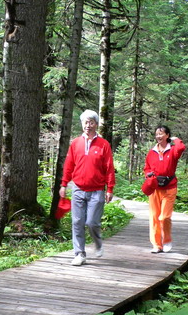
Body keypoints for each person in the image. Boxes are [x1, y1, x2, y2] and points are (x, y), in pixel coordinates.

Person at [59, 109, 115, 266]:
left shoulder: (103, 145)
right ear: (82, 124)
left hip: (97, 190)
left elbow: (109, 168)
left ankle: (98, 243)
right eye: (85, 122)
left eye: (91, 122)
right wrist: (64, 184)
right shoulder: (76, 143)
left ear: (96, 124)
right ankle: (80, 253)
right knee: (77, 222)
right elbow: (69, 165)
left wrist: (110, 188)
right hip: (78, 188)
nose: (88, 125)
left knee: (92, 222)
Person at [143, 124, 186, 253]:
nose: (158, 136)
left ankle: (166, 240)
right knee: (154, 217)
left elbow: (182, 147)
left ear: (167, 135)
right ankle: (157, 245)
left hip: (170, 187)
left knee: (164, 217)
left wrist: (176, 139)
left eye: (161, 133)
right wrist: (148, 174)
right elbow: (147, 167)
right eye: (157, 134)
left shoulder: (173, 150)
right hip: (155, 187)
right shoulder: (152, 152)